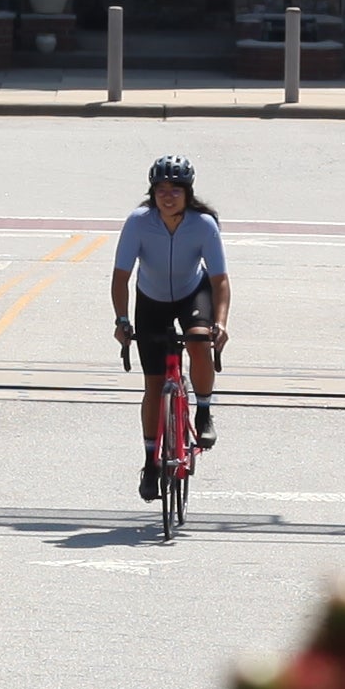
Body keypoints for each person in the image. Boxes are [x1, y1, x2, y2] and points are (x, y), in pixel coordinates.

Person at [107, 154, 230, 504]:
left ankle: (203, 411)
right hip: (152, 300)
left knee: (198, 340)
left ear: (188, 193)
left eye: (175, 189)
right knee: (154, 383)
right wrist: (121, 319)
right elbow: (121, 277)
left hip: (194, 293)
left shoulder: (203, 225)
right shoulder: (138, 223)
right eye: (160, 189)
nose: (168, 196)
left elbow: (220, 281)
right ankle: (150, 462)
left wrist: (220, 323)